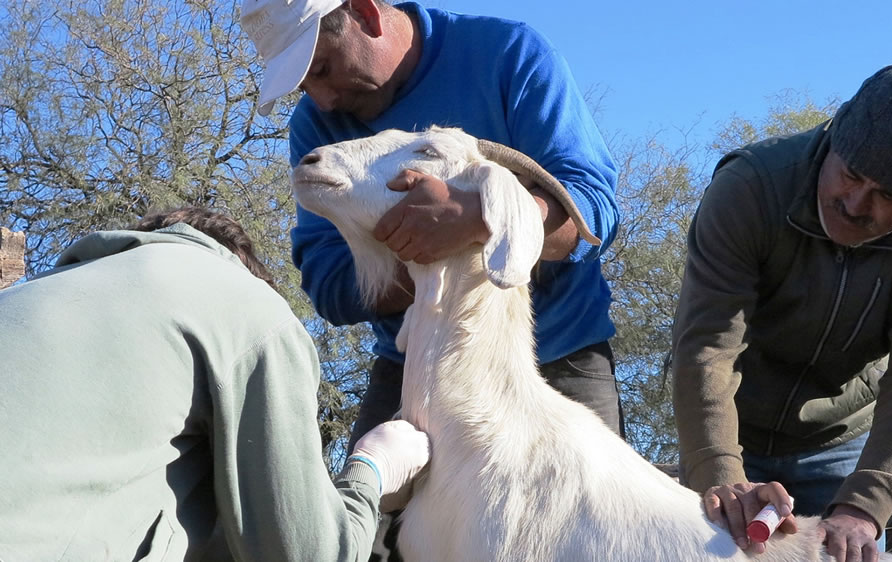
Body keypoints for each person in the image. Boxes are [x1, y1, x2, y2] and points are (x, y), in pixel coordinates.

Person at [240, 0, 624, 450]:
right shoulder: (316, 126)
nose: (323, 100)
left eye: (322, 68)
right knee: (364, 518)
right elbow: (330, 285)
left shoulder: (508, 53)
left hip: (558, 356)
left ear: (365, 14)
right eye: (303, 86)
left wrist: (480, 218)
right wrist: (430, 254)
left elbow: (593, 210)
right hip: (415, 371)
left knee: (590, 514)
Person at [671, 63, 892, 562]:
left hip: (841, 441)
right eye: (851, 174)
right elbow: (707, 346)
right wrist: (719, 471)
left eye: (888, 195)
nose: (857, 204)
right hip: (732, 421)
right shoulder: (751, 187)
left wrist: (866, 504)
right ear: (835, 136)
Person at [0, 207, 430, 562]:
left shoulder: (27, 295)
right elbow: (309, 555)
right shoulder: (248, 303)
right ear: (246, 270)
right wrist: (371, 470)